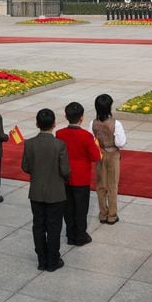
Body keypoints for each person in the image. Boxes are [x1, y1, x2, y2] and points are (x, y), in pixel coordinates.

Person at [21, 108, 70, 272]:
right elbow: (65, 170)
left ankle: (42, 259)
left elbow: (25, 166)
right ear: (54, 124)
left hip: (36, 191)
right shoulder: (60, 145)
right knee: (54, 227)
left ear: (36, 124)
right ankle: (53, 260)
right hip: (56, 193)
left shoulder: (29, 143)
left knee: (39, 226)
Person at [56, 102, 102, 247]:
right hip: (81, 177)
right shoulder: (86, 136)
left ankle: (70, 235)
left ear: (66, 116)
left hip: (65, 176)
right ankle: (80, 235)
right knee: (81, 208)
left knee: (68, 208)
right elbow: (96, 157)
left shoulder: (60, 133)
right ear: (81, 118)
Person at [91, 93, 126, 224]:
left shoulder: (93, 123)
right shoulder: (116, 124)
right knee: (112, 184)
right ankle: (112, 214)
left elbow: (91, 139)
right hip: (113, 155)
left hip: (99, 154)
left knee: (100, 184)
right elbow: (120, 142)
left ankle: (103, 213)